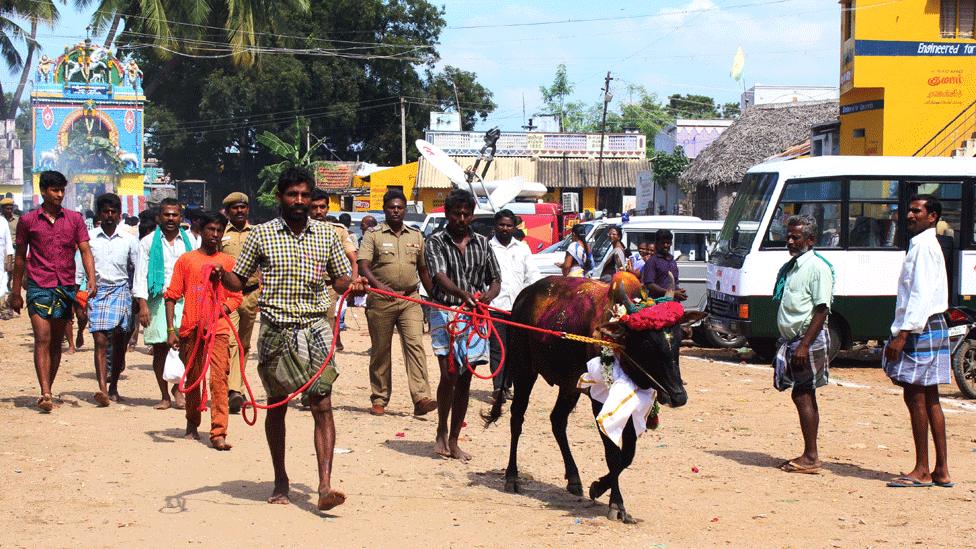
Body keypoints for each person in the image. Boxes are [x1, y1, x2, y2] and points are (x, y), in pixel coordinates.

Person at [222, 166, 365, 509]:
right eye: (292, 194)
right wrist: (219, 274)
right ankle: (281, 480)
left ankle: (325, 485)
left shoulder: (328, 235)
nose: (299, 201)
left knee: (323, 405)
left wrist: (354, 285)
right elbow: (237, 283)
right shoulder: (262, 235)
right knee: (277, 407)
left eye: (304, 194)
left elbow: (339, 280)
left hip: (316, 330)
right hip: (275, 333)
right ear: (280, 198)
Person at [9, 171, 96, 412]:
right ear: (44, 191)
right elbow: (19, 258)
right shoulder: (28, 221)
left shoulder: (74, 219)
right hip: (38, 286)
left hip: (65, 287)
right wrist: (16, 292)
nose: (59, 195)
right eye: (54, 190)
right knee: (42, 338)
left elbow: (85, 250)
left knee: (57, 342)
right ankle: (45, 391)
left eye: (61, 190)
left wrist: (91, 279)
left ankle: (50, 387)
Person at [882, 195, 953, 488]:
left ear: (932, 216)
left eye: (916, 211)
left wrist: (903, 333)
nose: (909, 215)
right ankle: (941, 470)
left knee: (916, 396)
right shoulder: (924, 245)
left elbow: (920, 295)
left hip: (920, 326)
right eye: (909, 210)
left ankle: (923, 469)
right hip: (930, 324)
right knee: (931, 397)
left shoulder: (923, 247)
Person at [425, 189, 501, 462]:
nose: (461, 218)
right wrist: (463, 295)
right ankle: (441, 430)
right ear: (447, 214)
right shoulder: (435, 242)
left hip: (475, 316)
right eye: (456, 213)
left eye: (466, 213)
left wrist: (486, 297)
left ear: (472, 215)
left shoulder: (483, 242)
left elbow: (495, 279)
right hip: (445, 311)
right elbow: (439, 275)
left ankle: (455, 439)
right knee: (449, 373)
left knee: (466, 377)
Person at [165, 211, 242, 451]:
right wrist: (171, 329)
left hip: (217, 329)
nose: (215, 235)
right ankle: (192, 423)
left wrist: (223, 309)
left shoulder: (227, 263)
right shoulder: (186, 260)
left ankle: (218, 432)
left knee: (219, 380)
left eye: (219, 231)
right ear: (202, 230)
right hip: (191, 328)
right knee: (194, 377)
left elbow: (237, 295)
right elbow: (172, 296)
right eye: (211, 230)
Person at [358, 189, 436, 416]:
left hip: (410, 299)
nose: (396, 211)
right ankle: (380, 398)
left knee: (415, 346)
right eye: (391, 207)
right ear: (384, 209)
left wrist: (433, 296)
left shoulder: (416, 235)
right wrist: (378, 286)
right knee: (381, 350)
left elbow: (423, 269)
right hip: (381, 300)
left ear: (405, 209)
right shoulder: (373, 234)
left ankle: (421, 397)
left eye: (400, 207)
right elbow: (364, 264)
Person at [771, 214, 834, 474]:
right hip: (793, 339)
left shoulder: (817, 267)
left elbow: (821, 309)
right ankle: (810, 453)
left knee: (803, 392)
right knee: (803, 391)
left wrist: (804, 345)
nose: (790, 241)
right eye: (788, 236)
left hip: (806, 339)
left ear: (811, 240)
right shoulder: (794, 266)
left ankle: (811, 456)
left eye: (796, 237)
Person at [133, 198, 196, 410]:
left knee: (187, 347)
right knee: (160, 349)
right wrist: (142, 306)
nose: (170, 218)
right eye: (166, 215)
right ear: (159, 217)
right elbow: (140, 275)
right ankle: (164, 395)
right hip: (158, 301)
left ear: (181, 217)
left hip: (185, 300)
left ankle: (179, 388)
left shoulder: (191, 242)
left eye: (174, 215)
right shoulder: (148, 242)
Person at [85, 193, 139, 404]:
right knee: (99, 339)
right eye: (105, 211)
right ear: (100, 213)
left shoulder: (129, 240)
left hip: (121, 291)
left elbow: (138, 268)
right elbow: (82, 269)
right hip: (97, 292)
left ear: (119, 214)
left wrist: (137, 297)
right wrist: (80, 295)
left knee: (118, 344)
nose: (109, 215)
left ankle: (114, 385)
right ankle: (102, 389)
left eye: (113, 212)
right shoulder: (89, 238)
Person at [487, 208, 541, 404]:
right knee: (497, 348)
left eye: (509, 225)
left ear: (514, 227)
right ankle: (498, 387)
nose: (505, 228)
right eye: (501, 225)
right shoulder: (486, 247)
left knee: (515, 349)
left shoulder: (522, 249)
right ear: (495, 226)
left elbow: (532, 276)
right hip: (495, 306)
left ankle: (507, 384)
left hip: (519, 309)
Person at [220, 192, 260, 414]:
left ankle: (236, 386)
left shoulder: (257, 233)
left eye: (243, 207)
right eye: (234, 208)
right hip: (228, 296)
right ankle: (233, 389)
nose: (239, 211)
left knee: (243, 344)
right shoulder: (220, 233)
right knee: (230, 342)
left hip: (251, 295)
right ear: (227, 211)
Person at [309, 189, 358, 354]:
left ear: (328, 208)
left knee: (327, 331)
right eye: (314, 207)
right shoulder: (299, 230)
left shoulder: (338, 231)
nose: (318, 211)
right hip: (303, 287)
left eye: (322, 207)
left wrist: (353, 282)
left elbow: (353, 258)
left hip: (328, 287)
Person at [641, 229, 688, 301]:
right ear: (657, 243)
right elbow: (650, 285)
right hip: (658, 303)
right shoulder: (652, 261)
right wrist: (672, 293)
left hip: (673, 303)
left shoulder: (672, 261)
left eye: (668, 243)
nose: (666, 245)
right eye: (663, 243)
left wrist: (679, 292)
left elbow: (674, 283)